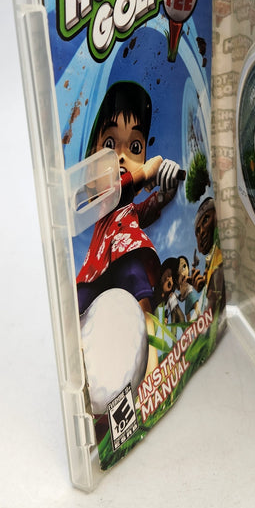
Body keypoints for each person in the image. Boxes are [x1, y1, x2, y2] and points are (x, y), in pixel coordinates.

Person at [76, 82, 181, 335]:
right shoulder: (105, 199)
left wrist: (168, 183)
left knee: (140, 295)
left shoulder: (130, 213)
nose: (121, 156)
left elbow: (151, 206)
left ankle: (151, 356)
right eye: (109, 144)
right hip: (94, 271)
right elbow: (121, 188)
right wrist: (145, 173)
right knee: (77, 308)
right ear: (90, 168)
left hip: (128, 260)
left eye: (135, 148)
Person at [190, 197, 225, 324]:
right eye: (197, 232)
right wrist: (204, 283)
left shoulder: (222, 239)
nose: (202, 233)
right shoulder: (209, 260)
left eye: (206, 220)